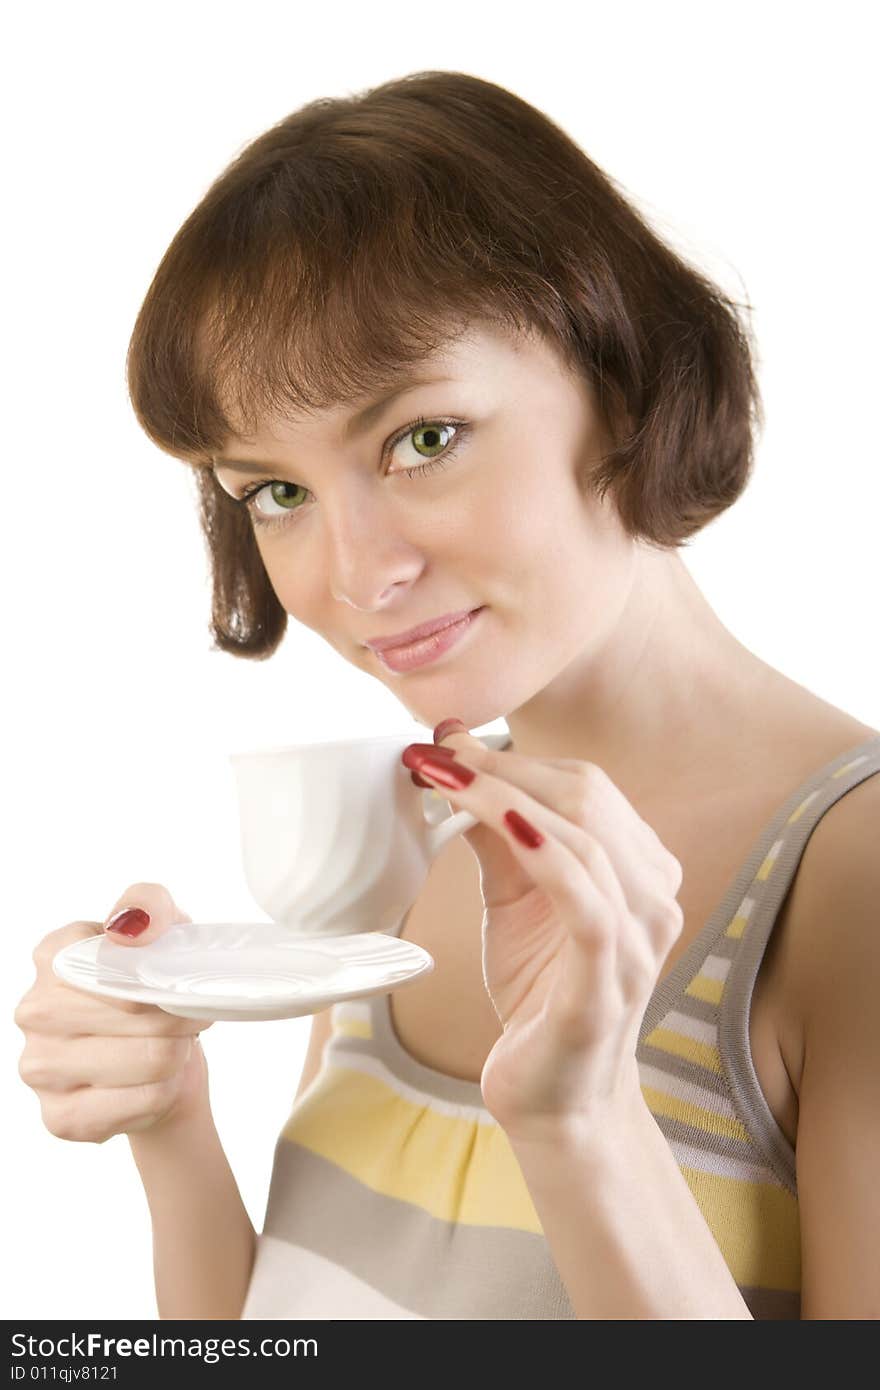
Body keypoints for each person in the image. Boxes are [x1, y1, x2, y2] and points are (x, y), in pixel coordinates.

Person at [14, 70, 880, 1321]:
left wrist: (582, 1120)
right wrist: (171, 1124)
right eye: (275, 491)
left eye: (421, 438)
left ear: (623, 380)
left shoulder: (845, 878)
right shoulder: (409, 837)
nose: (358, 574)